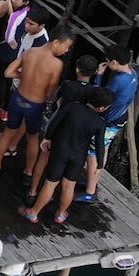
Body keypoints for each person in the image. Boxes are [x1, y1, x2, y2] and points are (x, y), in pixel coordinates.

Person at [0, 25, 75, 180]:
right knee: (32, 138)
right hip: (35, 106)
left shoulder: (30, 52)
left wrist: (25, 77)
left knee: (8, 131)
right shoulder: (56, 64)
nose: (66, 51)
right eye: (66, 47)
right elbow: (50, 92)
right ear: (56, 42)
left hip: (17, 99)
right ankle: (29, 172)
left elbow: (8, 72)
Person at [21, 89, 114, 224]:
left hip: (60, 151)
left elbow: (55, 123)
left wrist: (47, 138)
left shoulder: (72, 107)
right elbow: (100, 146)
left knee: (50, 184)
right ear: (101, 108)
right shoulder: (99, 122)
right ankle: (60, 214)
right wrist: (99, 165)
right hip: (78, 156)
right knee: (69, 186)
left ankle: (33, 213)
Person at [0, 0, 47, 126]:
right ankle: (4, 111)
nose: (26, 26)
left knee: (0, 84)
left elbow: (9, 34)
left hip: (18, 68)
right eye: (27, 22)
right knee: (7, 85)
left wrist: (18, 70)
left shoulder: (41, 41)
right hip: (16, 64)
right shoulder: (29, 29)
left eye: (31, 24)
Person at [81, 45, 139, 201]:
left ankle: (90, 192)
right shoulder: (133, 73)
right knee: (103, 148)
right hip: (121, 117)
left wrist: (99, 76)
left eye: (108, 62)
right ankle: (93, 181)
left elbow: (102, 97)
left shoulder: (119, 80)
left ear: (114, 61)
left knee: (93, 154)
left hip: (109, 120)